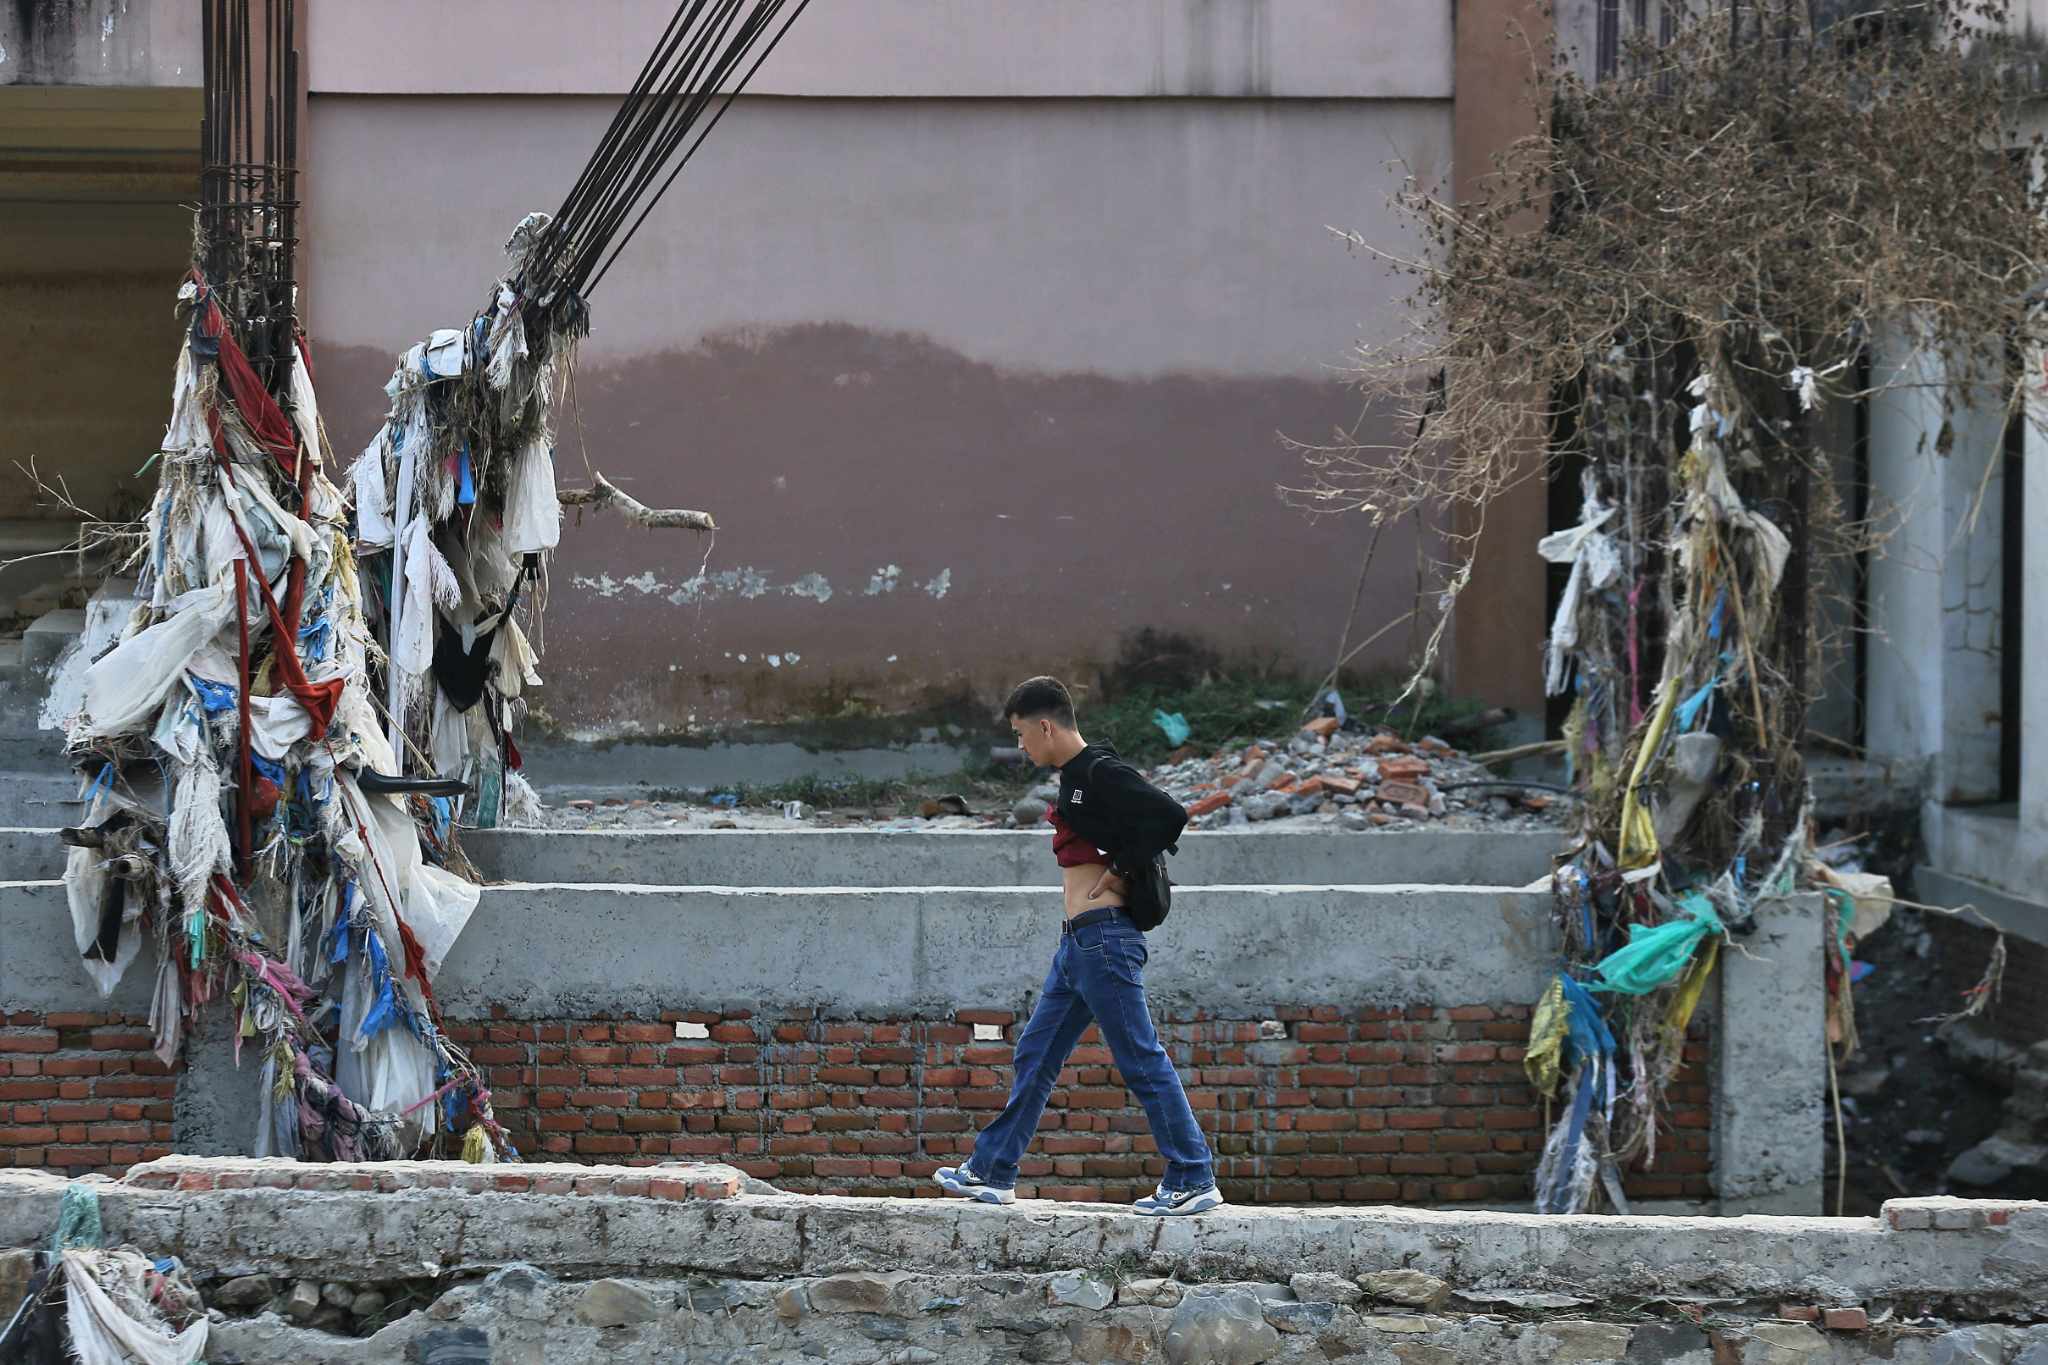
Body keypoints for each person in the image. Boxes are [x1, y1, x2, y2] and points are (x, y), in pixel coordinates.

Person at [932, 676, 1223, 1215]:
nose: (1021, 745)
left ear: (1045, 726)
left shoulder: (1098, 770)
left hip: (1105, 941)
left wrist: (1121, 868)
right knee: (1036, 1052)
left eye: (1021, 734)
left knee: (1139, 1056)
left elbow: (1170, 815)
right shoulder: (1075, 777)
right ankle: (992, 1170)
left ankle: (1192, 1175)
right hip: (1079, 946)